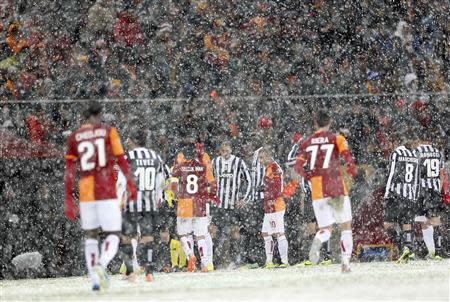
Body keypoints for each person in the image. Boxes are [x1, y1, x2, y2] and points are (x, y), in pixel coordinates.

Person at [64, 101, 137, 290]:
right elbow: (121, 160)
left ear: (83, 117)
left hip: (87, 191)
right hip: (106, 189)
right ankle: (101, 265)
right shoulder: (108, 131)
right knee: (113, 233)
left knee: (91, 235)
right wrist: (131, 184)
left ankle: (95, 280)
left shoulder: (75, 137)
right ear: (99, 115)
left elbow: (70, 170)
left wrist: (68, 198)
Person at [294, 109, 357, 272]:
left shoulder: (306, 142)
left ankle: (318, 239)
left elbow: (297, 166)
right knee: (345, 226)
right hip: (335, 186)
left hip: (317, 190)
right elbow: (348, 159)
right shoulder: (337, 138)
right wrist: (352, 173)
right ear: (329, 123)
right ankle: (345, 263)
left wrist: (309, 176)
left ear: (315, 124)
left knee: (326, 229)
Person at [119, 130, 169, 282]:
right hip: (149, 204)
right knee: (148, 237)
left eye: (128, 139)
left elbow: (121, 182)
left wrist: (117, 201)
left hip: (132, 203)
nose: (127, 142)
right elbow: (161, 182)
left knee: (127, 237)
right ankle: (149, 271)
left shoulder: (128, 157)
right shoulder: (155, 157)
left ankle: (130, 273)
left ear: (134, 141)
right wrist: (158, 197)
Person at [170, 137, 220, 272]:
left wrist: (175, 194)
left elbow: (173, 184)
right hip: (200, 203)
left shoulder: (180, 162)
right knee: (201, 236)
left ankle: (191, 256)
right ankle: (205, 264)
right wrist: (210, 195)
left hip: (184, 203)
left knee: (184, 235)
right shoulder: (203, 163)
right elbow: (213, 184)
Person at [284, 134, 332, 266]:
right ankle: (312, 257)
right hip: (310, 195)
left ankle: (327, 256)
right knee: (310, 227)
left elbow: (290, 161)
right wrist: (297, 145)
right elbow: (289, 161)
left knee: (322, 225)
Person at [210, 141, 251, 269]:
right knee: (214, 232)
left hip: (233, 204)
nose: (225, 153)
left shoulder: (239, 162)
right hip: (218, 204)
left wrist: (244, 198)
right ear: (220, 151)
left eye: (227, 150)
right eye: (223, 151)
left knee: (235, 232)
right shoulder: (215, 162)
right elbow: (208, 179)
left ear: (231, 150)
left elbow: (249, 180)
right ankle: (214, 261)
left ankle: (236, 260)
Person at [383, 134, 420, 263]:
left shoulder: (396, 153)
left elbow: (391, 174)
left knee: (387, 224)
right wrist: (415, 196)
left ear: (396, 143)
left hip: (396, 194)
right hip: (410, 195)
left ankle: (402, 246)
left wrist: (387, 193)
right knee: (407, 224)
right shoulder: (415, 155)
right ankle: (409, 250)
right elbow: (417, 178)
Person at [414, 132, 449, 260]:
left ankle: (422, 250)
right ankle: (437, 251)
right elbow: (441, 174)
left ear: (419, 141)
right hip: (434, 189)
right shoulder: (437, 152)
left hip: (421, 190)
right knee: (435, 221)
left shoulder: (417, 151)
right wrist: (438, 189)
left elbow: (414, 171)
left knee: (420, 221)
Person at [258, 146, 289, 268]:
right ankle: (269, 261)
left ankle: (285, 261)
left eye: (261, 158)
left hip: (275, 206)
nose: (260, 161)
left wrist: (272, 198)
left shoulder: (275, 168)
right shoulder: (269, 168)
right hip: (269, 206)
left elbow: (278, 187)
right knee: (265, 233)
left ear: (268, 156)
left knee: (279, 233)